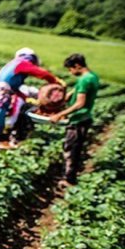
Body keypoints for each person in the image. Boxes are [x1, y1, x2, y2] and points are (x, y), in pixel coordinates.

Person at [0, 48, 64, 154]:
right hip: (1, 95)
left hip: (1, 93)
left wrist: (26, 98)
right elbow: (38, 72)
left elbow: (15, 88)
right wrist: (54, 80)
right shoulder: (21, 63)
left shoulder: (12, 65)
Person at [51, 53, 100, 187]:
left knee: (71, 149)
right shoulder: (92, 76)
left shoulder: (84, 80)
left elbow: (80, 104)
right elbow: (81, 88)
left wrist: (60, 114)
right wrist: (70, 94)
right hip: (85, 118)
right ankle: (69, 176)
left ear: (77, 66)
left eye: (70, 69)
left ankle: (69, 179)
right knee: (75, 148)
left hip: (78, 119)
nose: (70, 72)